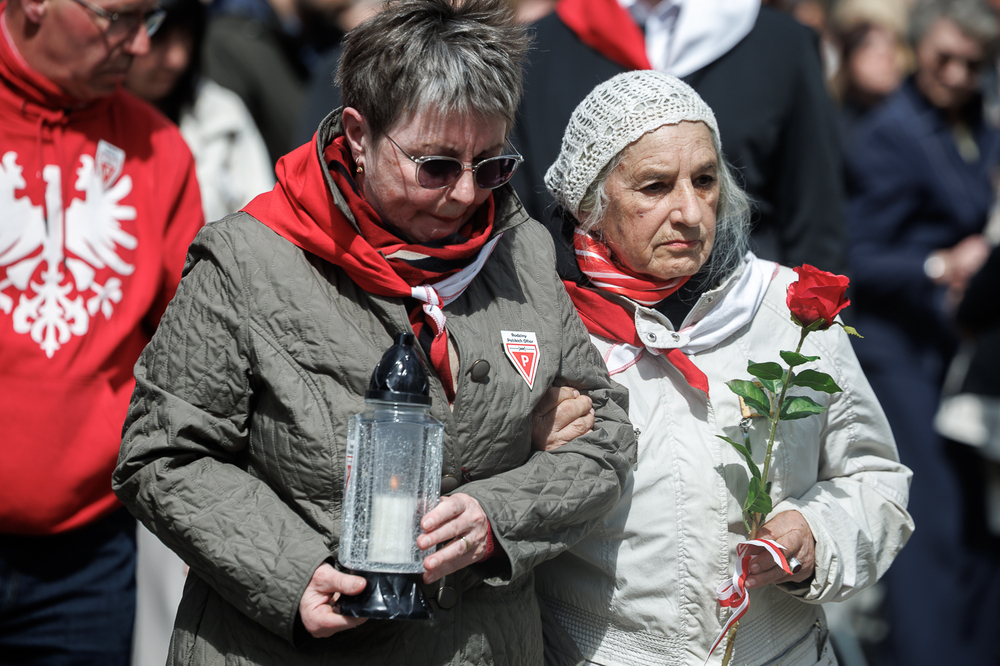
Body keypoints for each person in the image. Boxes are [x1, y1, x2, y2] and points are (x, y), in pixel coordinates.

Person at [112, 1, 635, 664]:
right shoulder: (246, 262)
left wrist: (495, 517)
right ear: (358, 136)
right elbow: (162, 456)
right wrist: (294, 572)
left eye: (492, 163)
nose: (467, 194)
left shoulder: (521, 249)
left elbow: (608, 438)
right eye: (436, 165)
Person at [531, 70, 913, 666]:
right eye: (655, 186)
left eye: (705, 180)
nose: (689, 211)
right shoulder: (541, 324)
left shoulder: (788, 311)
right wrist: (524, 443)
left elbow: (874, 477)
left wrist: (816, 538)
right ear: (591, 207)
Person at [0, 0, 204, 661]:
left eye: (151, 18)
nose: (141, 45)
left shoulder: (160, 150)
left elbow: (198, 355)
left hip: (85, 562)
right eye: (119, 16)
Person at [845, 0, 1000, 663]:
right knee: (928, 530)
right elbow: (854, 254)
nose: (959, 73)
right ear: (919, 50)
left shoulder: (975, 123)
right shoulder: (889, 133)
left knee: (971, 526)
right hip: (900, 352)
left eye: (974, 62)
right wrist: (940, 265)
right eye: (946, 57)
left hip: (958, 353)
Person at [510, 0, 848, 274]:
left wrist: (810, 336)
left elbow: (816, 216)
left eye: (703, 181)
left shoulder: (780, 44)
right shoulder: (537, 49)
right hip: (578, 322)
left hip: (745, 319)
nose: (690, 213)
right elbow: (519, 219)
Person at [124, 0, 275, 223]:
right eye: (159, 38)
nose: (177, 59)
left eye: (185, 37)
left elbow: (263, 219)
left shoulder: (223, 114)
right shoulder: (84, 118)